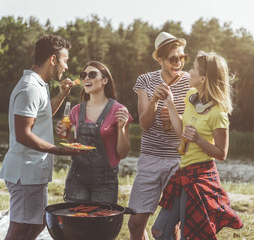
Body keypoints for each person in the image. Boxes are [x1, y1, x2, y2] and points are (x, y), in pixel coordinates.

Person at [0, 34, 86, 240]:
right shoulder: (30, 88)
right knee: (20, 228)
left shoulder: (40, 84)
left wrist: (62, 94)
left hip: (34, 170)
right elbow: (23, 134)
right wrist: (60, 150)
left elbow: (43, 114)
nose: (66, 67)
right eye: (65, 60)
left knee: (37, 224)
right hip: (25, 171)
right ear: (53, 59)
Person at [151, 51, 243, 239]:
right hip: (183, 172)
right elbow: (181, 133)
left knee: (189, 235)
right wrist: (170, 105)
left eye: (193, 68)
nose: (189, 71)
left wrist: (199, 140)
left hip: (200, 177)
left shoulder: (218, 113)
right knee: (159, 230)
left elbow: (221, 153)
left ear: (203, 77)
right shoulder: (191, 96)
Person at [128, 32, 191, 240]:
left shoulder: (192, 82)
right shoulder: (145, 80)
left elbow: (197, 121)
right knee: (135, 222)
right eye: (174, 59)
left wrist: (176, 114)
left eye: (182, 58)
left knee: (171, 226)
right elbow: (144, 124)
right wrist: (154, 99)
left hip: (178, 160)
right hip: (150, 158)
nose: (179, 63)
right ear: (160, 59)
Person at [56, 61, 133, 203]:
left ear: (105, 80)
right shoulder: (76, 110)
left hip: (105, 180)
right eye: (84, 75)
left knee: (100, 223)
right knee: (75, 221)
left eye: (92, 75)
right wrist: (67, 137)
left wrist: (121, 128)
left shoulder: (119, 110)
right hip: (77, 176)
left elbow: (123, 153)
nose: (86, 78)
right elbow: (76, 146)